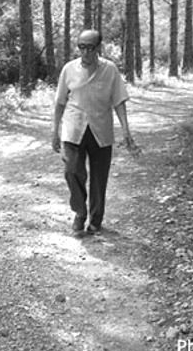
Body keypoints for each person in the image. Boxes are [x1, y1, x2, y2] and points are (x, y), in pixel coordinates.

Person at [51, 29, 139, 235]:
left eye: (90, 48)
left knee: (99, 179)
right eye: (81, 47)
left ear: (98, 48)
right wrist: (54, 131)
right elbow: (59, 102)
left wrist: (126, 130)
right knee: (72, 171)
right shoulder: (69, 69)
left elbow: (118, 101)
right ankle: (80, 212)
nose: (85, 53)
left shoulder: (110, 70)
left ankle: (96, 219)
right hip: (74, 128)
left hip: (101, 129)